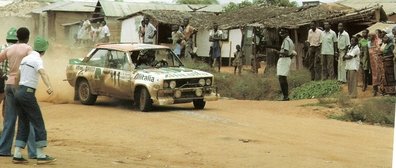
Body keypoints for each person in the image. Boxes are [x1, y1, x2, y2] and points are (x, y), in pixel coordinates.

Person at [13, 36, 55, 164]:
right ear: (44, 50)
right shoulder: (37, 60)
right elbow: (43, 73)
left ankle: (17, 154)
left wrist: (17, 91)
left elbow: (17, 76)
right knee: (38, 122)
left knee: (23, 123)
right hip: (28, 93)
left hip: (19, 92)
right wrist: (49, 86)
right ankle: (41, 155)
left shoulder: (25, 59)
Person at [0, 27, 36, 159]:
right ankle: (34, 152)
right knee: (28, 118)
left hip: (8, 84)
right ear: (27, 37)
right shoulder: (28, 49)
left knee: (9, 118)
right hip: (21, 85)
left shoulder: (9, 49)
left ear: (17, 37)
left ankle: (3, 149)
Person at [277, 28, 295, 101]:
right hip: (286, 59)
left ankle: (285, 96)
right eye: (281, 34)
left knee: (281, 78)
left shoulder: (286, 41)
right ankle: (285, 95)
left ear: (286, 33)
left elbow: (286, 52)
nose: (281, 35)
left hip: (284, 59)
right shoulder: (290, 40)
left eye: (283, 33)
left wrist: (277, 52)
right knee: (283, 77)